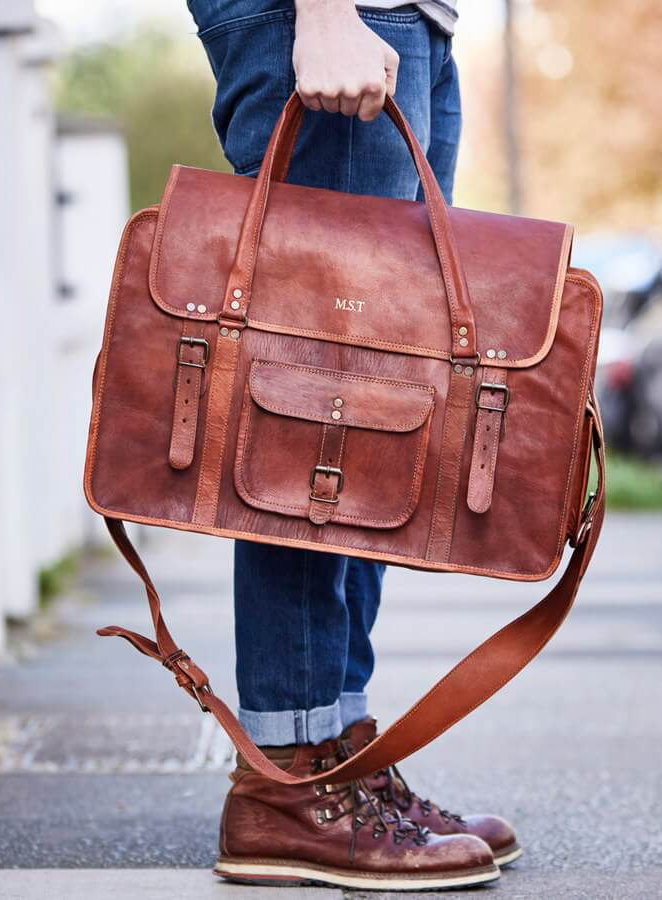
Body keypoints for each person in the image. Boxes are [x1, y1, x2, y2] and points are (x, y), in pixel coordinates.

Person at [185, 0, 521, 889]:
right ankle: (288, 780)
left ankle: (338, 757)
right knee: (314, 408)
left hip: (414, 21)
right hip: (341, 16)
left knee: (384, 418)